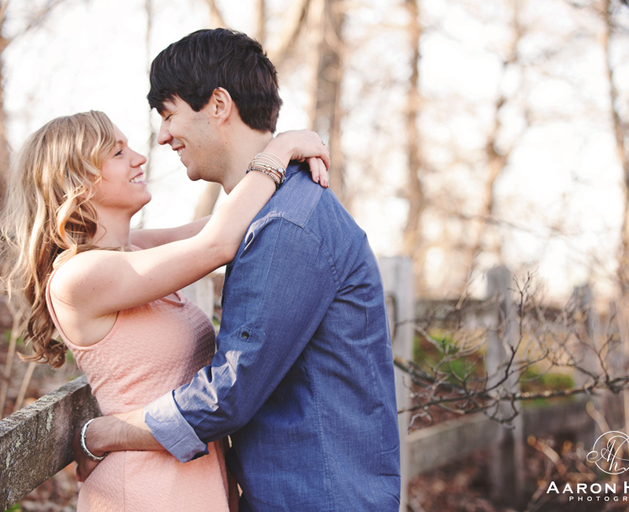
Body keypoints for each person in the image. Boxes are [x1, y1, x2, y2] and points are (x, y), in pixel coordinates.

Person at [77, 28, 401, 512]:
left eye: (168, 115)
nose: (163, 136)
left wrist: (103, 432)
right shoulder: (274, 213)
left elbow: (226, 394)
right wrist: (282, 147)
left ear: (218, 105)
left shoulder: (286, 227)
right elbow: (169, 242)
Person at [0, 110, 329, 511]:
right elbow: (217, 244)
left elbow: (234, 222)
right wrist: (282, 148)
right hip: (144, 490)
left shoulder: (136, 251)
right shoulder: (79, 278)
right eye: (118, 152)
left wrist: (292, 176)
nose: (139, 157)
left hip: (194, 480)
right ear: (76, 182)